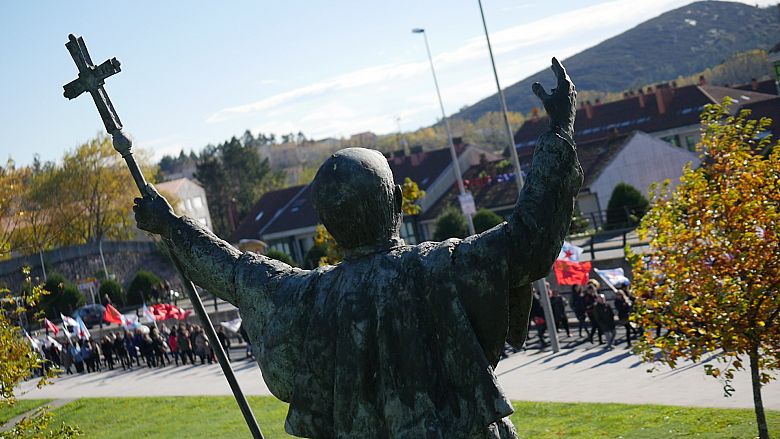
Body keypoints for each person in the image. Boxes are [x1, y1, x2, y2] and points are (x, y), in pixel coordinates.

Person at [133, 58, 582, 438]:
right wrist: (559, 130)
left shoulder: (307, 295)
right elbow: (530, 239)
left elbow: (231, 271)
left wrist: (171, 226)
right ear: (399, 204)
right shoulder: (443, 267)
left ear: (325, 225)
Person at [584, 280, 602, 344]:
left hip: (597, 312)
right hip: (591, 313)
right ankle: (591, 337)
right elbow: (585, 305)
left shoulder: (595, 295)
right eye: (590, 290)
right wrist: (592, 304)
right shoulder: (586, 297)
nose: (591, 291)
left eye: (592, 289)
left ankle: (600, 340)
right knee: (595, 326)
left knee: (599, 325)